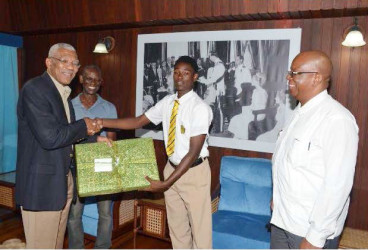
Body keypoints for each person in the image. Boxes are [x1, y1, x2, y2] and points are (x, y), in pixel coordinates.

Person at [96, 56, 213, 249]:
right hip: (172, 167)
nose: (180, 77)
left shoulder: (200, 108)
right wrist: (101, 122)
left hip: (194, 173)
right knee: (177, 229)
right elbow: (136, 122)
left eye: (185, 73)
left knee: (200, 233)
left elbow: (193, 152)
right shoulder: (167, 102)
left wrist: (165, 184)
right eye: (176, 72)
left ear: (195, 77)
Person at [15, 43, 109, 249]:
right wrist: (84, 126)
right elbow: (50, 137)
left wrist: (94, 140)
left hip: (61, 181)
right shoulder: (35, 89)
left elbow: (65, 137)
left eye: (75, 63)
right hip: (41, 188)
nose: (71, 67)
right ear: (49, 63)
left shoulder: (62, 94)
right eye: (64, 61)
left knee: (56, 244)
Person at [270, 51, 359, 249]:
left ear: (316, 77)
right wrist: (277, 197)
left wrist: (315, 237)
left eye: (295, 73)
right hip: (282, 221)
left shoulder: (337, 120)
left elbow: (337, 185)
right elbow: (287, 163)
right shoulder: (297, 114)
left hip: (307, 231)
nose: (288, 77)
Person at [67, 65, 117, 249]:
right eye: (89, 79)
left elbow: (111, 141)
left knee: (105, 213)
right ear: (81, 79)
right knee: (74, 215)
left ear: (101, 82)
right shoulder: (68, 105)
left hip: (103, 166)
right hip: (76, 167)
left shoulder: (109, 107)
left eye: (97, 80)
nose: (92, 83)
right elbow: (66, 138)